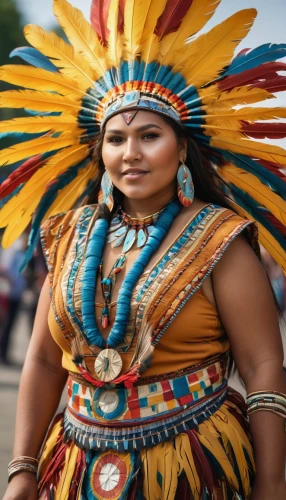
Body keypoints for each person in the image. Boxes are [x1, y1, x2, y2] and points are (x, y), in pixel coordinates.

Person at [1, 0, 285, 498]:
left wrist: (271, 482)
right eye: (115, 138)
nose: (129, 153)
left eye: (148, 135)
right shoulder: (71, 234)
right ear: (100, 151)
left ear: (181, 148)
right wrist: (22, 469)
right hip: (72, 468)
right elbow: (45, 362)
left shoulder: (221, 239)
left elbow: (263, 368)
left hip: (190, 467)